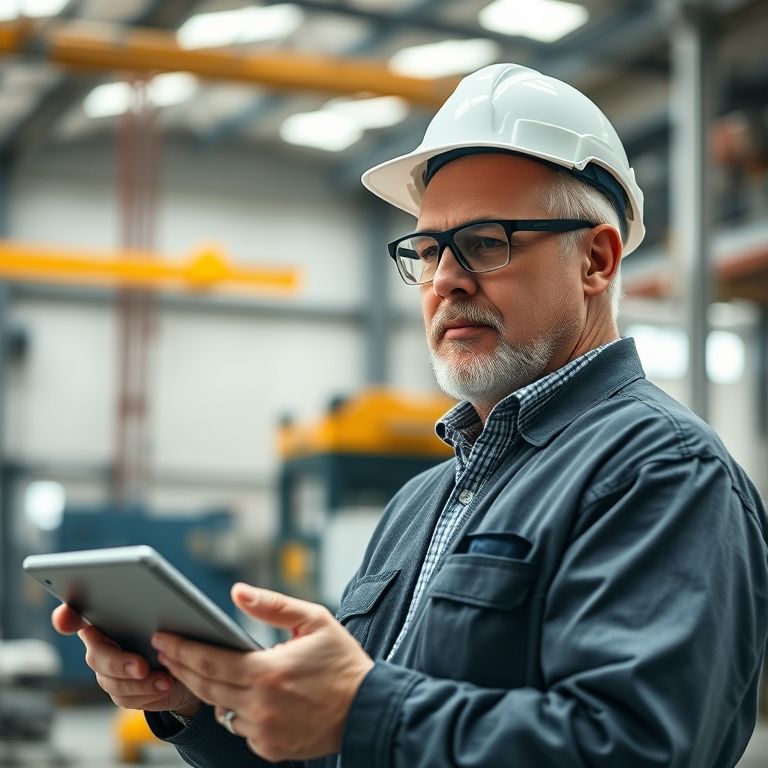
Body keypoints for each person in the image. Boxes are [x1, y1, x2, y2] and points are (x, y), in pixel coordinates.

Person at [53, 63, 768, 767]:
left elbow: (638, 748)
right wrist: (204, 705)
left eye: (486, 242)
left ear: (597, 262)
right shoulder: (420, 503)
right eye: (428, 250)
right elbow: (337, 751)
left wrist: (364, 708)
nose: (446, 279)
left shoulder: (662, 472)